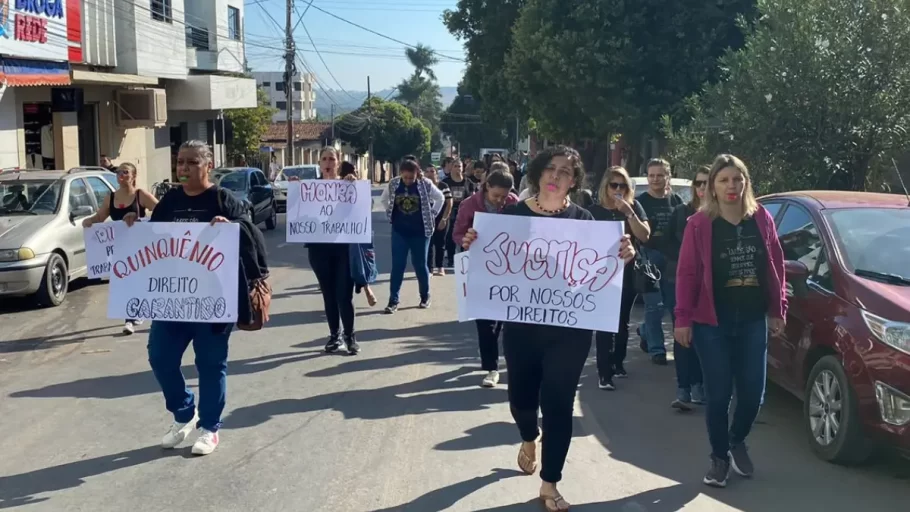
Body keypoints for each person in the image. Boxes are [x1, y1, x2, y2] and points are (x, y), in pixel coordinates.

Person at [462, 146, 635, 511]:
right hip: (523, 328)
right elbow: (487, 259)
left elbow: (603, 266)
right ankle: (528, 436)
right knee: (522, 400)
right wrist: (473, 245)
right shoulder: (511, 216)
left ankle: (550, 482)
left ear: (574, 181)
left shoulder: (586, 221)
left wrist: (623, 252)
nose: (556, 176)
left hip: (570, 332)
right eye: (551, 169)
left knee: (558, 404)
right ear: (539, 174)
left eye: (566, 172)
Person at [122, 140, 267, 456]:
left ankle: (210, 428)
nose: (183, 168)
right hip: (173, 297)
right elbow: (151, 239)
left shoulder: (223, 199)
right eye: (180, 162)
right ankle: (185, 413)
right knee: (160, 357)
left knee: (211, 364)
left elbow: (251, 233)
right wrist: (135, 226)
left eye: (190, 162)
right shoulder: (170, 201)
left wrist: (231, 225)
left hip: (214, 299)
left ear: (207, 165)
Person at [675, 154, 786, 488]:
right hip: (712, 323)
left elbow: (776, 263)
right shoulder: (699, 224)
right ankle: (719, 457)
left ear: (746, 183)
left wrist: (778, 308)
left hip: (752, 319)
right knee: (719, 395)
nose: (731, 186)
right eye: (723, 180)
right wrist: (683, 318)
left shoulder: (762, 218)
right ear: (712, 187)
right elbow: (687, 273)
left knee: (754, 394)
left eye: (737, 179)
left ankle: (736, 438)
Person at [452, 170, 518, 388]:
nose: (500, 201)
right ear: (487, 186)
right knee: (484, 320)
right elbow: (457, 234)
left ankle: (500, 357)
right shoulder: (469, 205)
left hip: (509, 270)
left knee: (506, 319)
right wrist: (466, 239)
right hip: (479, 268)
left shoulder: (514, 203)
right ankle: (491, 367)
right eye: (496, 195)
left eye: (504, 196)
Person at [588, 166, 649, 389]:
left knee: (621, 320)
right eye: (614, 185)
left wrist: (628, 212)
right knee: (605, 322)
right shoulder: (593, 211)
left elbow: (645, 235)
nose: (618, 190)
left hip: (627, 272)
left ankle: (617, 362)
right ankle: (604, 374)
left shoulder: (633, 207)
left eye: (623, 186)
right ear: (606, 186)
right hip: (601, 274)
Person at [82, 162, 159, 334]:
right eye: (118, 173)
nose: (121, 176)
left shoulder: (140, 195)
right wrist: (89, 221)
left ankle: (135, 313)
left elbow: (162, 211)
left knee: (137, 280)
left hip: (141, 248)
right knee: (124, 280)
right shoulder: (111, 197)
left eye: (125, 172)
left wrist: (140, 221)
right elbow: (101, 216)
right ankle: (130, 317)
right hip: (120, 248)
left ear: (134, 176)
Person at [309, 147, 362, 355]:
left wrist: (353, 188)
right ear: (319, 163)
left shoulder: (347, 185)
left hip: (343, 248)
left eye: (332, 158)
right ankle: (334, 335)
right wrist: (296, 190)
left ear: (338, 162)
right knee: (328, 294)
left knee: (343, 294)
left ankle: (350, 336)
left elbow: (360, 212)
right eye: (324, 159)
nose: (328, 162)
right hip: (319, 249)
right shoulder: (310, 188)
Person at [666, 166, 710, 410]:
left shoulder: (718, 215)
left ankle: (699, 385)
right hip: (681, 282)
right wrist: (688, 258)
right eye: (699, 183)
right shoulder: (681, 212)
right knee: (683, 334)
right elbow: (668, 243)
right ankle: (683, 388)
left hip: (710, 287)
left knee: (703, 337)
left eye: (707, 183)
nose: (702, 188)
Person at [380, 157, 445, 313]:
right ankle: (393, 300)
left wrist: (433, 213)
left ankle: (425, 296)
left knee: (420, 265)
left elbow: (440, 198)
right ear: (401, 173)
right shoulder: (394, 183)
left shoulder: (425, 184)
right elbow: (384, 199)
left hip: (420, 232)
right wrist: (390, 212)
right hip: (399, 230)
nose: (408, 180)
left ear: (417, 174)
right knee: (398, 265)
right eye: (405, 177)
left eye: (411, 177)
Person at [636, 158, 684, 365]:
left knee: (672, 305)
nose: (655, 179)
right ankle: (657, 350)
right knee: (654, 305)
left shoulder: (676, 201)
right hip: (649, 257)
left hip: (674, 260)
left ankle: (644, 330)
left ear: (667, 176)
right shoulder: (641, 202)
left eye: (659, 175)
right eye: (651, 175)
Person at [340, 161, 377, 306]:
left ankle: (366, 286)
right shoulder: (331, 186)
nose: (355, 173)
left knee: (360, 259)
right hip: (338, 234)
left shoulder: (360, 186)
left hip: (358, 230)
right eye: (353, 170)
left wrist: (356, 186)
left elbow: (369, 205)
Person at [441, 158, 477, 267]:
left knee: (464, 236)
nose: (458, 168)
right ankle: (451, 260)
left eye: (459, 166)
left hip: (464, 213)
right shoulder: (446, 183)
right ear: (451, 168)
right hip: (450, 212)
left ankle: (464, 259)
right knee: (450, 237)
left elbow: (472, 197)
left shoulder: (468, 182)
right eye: (455, 166)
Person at [424, 165, 453, 276]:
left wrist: (444, 218)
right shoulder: (422, 186)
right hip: (427, 219)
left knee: (440, 243)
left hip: (441, 218)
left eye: (432, 171)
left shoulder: (443, 186)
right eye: (427, 171)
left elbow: (449, 203)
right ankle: (429, 268)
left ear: (436, 173)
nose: (430, 173)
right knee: (428, 243)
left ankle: (440, 266)